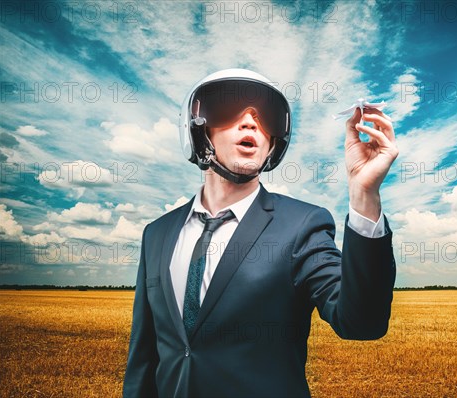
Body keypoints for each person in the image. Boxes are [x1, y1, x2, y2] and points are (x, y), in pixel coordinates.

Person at [123, 69, 398, 398]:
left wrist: (364, 196)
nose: (251, 122)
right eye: (227, 110)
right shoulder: (157, 233)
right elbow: (143, 356)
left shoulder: (302, 224)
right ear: (196, 129)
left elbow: (361, 323)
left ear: (273, 142)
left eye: (265, 116)